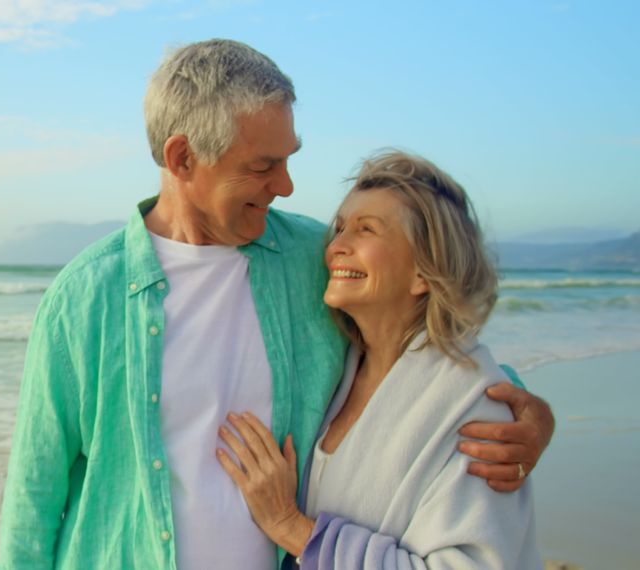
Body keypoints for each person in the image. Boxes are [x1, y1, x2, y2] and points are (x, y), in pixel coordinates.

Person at [0, 39, 553, 569]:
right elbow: (34, 492)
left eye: (288, 160)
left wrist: (523, 411)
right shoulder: (83, 298)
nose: (285, 186)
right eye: (263, 166)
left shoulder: (314, 259)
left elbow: (413, 341)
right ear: (183, 157)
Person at [217, 151, 540, 568]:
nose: (336, 247)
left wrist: (289, 526)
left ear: (425, 270)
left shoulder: (477, 408)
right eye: (339, 229)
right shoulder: (337, 368)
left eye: (366, 230)